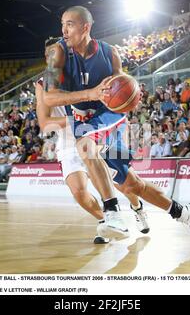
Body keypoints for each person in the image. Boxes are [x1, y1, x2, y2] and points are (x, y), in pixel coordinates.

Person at [42, 6, 190, 243]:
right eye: (62, 24)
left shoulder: (110, 53)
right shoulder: (56, 52)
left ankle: (112, 213)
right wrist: (91, 93)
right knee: (131, 185)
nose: (63, 30)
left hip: (110, 116)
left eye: (70, 24)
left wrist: (129, 91)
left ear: (85, 27)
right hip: (84, 122)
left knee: (85, 145)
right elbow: (48, 97)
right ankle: (184, 213)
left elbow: (122, 89)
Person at [36, 37, 148, 243]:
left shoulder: (83, 72)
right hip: (70, 140)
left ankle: (137, 207)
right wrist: (76, 120)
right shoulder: (43, 84)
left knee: (125, 185)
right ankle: (108, 222)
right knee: (79, 193)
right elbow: (44, 123)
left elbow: (112, 95)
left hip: (97, 132)